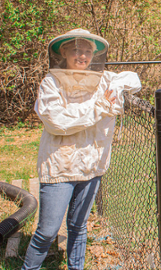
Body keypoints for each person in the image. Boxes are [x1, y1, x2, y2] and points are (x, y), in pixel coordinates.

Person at [22, 29, 141, 270]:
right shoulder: (51, 82)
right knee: (47, 231)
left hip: (91, 165)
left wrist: (117, 84)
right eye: (76, 50)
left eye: (87, 51)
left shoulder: (104, 78)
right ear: (63, 52)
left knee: (78, 226)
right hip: (60, 166)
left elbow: (134, 80)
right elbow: (57, 122)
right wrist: (100, 108)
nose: (82, 56)